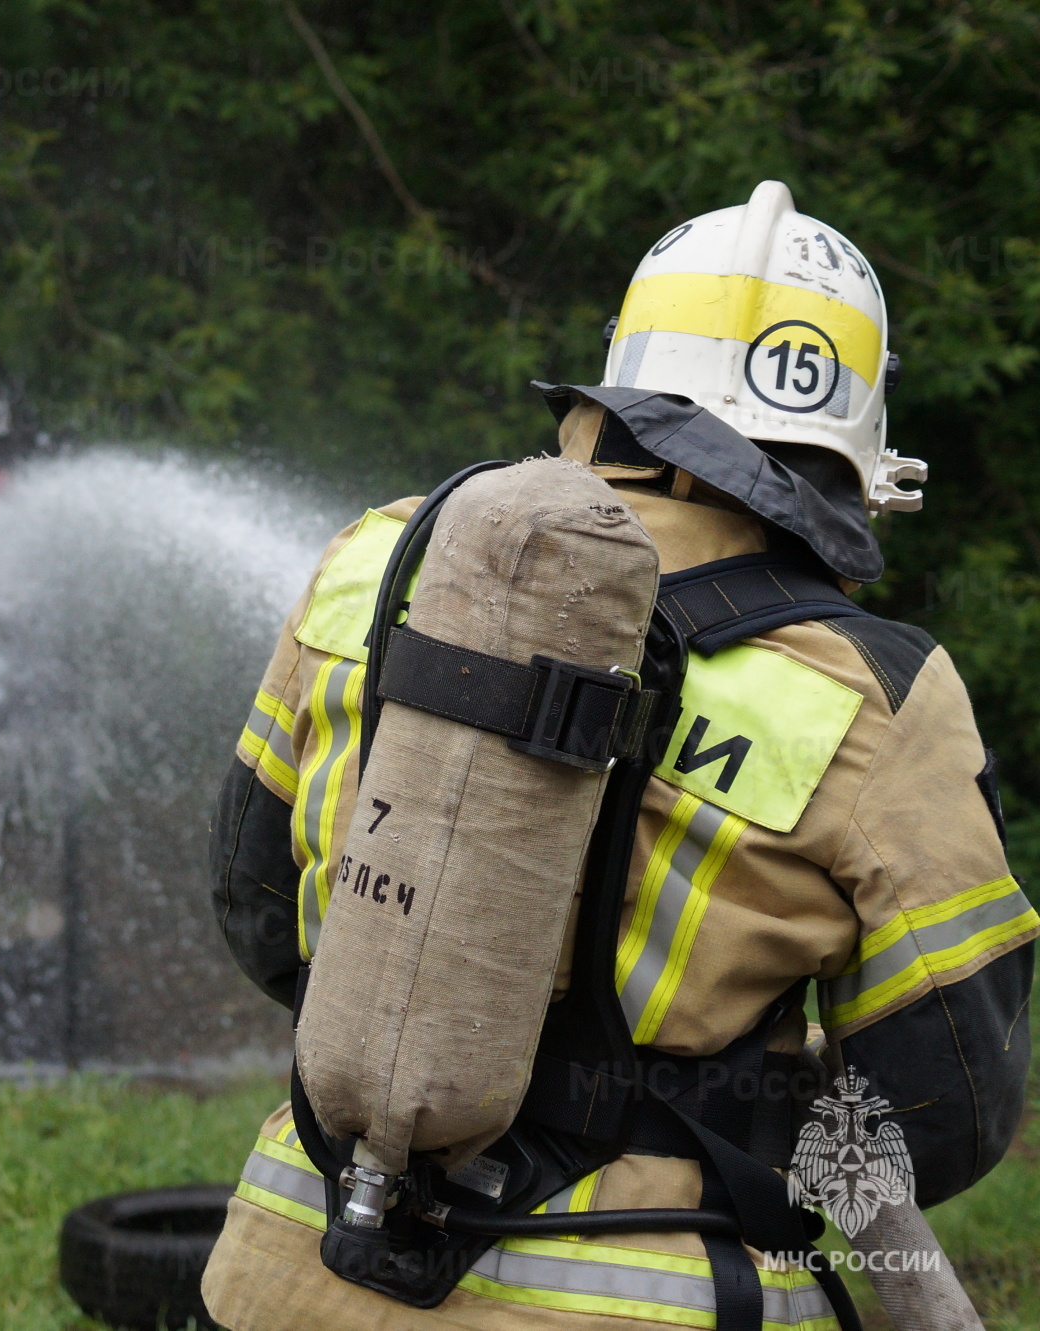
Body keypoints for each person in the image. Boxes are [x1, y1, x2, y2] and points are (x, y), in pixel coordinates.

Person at [200, 181, 1036, 1329]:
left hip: (292, 1261)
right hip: (641, 1298)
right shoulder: (876, 693)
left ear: (621, 380)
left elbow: (252, 907)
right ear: (851, 443)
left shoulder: (380, 559)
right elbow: (941, 1112)